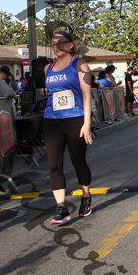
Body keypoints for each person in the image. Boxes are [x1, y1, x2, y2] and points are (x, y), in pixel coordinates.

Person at [44, 30, 93, 226]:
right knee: (54, 165)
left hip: (75, 119)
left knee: (78, 161)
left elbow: (87, 95)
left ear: (70, 45)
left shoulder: (79, 64)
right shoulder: (48, 68)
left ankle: (86, 196)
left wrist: (87, 123)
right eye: (53, 43)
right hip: (52, 120)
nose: (56, 47)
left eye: (60, 43)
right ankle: (61, 208)